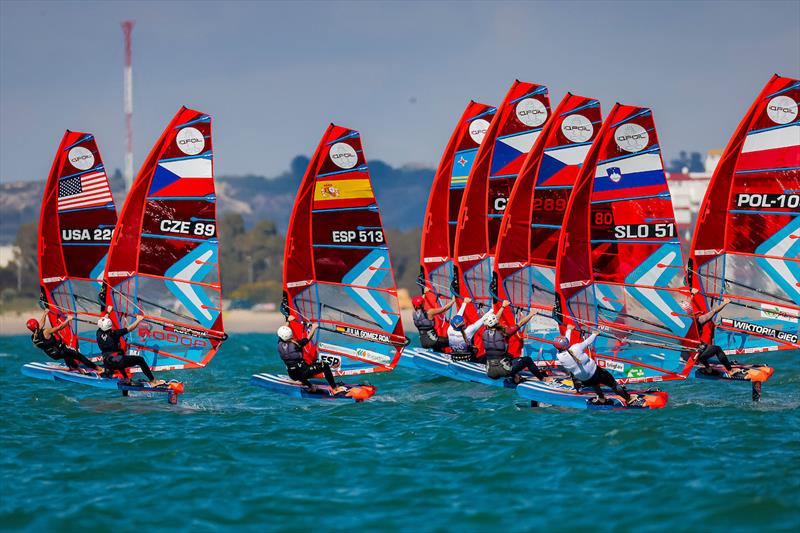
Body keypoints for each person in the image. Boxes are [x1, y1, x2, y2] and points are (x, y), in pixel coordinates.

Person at [554, 325, 636, 406]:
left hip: (584, 379)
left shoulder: (559, 356)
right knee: (613, 384)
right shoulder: (576, 348)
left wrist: (568, 330)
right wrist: (594, 334)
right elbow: (587, 342)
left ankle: (601, 399)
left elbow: (565, 344)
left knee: (594, 383)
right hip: (597, 373)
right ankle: (628, 398)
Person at [482, 300, 546, 383]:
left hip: (490, 372)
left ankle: (515, 376)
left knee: (509, 356)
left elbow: (494, 320)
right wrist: (531, 314)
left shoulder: (484, 333)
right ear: (497, 322)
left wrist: (503, 307)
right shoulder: (504, 332)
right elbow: (521, 323)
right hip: (504, 371)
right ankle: (542, 379)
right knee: (527, 360)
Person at [96, 305, 162, 385]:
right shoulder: (115, 333)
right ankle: (153, 381)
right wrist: (138, 320)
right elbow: (130, 328)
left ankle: (125, 378)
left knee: (119, 356)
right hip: (117, 361)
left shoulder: (98, 332)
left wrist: (108, 312)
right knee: (140, 360)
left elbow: (103, 321)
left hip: (107, 362)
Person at [277, 321, 346, 395]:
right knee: (324, 365)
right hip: (303, 373)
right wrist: (313, 328)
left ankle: (310, 386)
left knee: (301, 369)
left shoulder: (279, 344)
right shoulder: (296, 344)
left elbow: (282, 335)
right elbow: (307, 339)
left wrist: (288, 321)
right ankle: (335, 388)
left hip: (292, 375)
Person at [27, 310, 101, 373]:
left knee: (67, 355)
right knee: (79, 356)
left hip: (53, 355)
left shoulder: (33, 338)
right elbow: (60, 327)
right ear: (37, 325)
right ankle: (98, 368)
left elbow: (39, 326)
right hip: (60, 350)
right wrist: (68, 320)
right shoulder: (46, 332)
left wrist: (45, 314)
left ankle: (78, 369)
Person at [691, 289, 735, 374]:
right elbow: (714, 311)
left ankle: (708, 368)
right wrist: (725, 303)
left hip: (687, 354)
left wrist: (692, 294)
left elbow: (686, 309)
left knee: (704, 346)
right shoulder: (699, 320)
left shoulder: (682, 323)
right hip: (696, 354)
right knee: (717, 349)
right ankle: (730, 370)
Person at [447, 297, 491, 362]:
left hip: (455, 356)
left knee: (472, 347)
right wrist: (493, 309)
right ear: (463, 326)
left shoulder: (450, 329)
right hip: (468, 359)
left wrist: (464, 303)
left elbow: (458, 316)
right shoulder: (469, 331)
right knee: (477, 351)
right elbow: (483, 319)